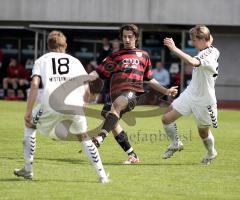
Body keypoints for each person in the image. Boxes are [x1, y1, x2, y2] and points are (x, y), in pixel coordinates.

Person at [13, 31, 109, 183]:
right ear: (65, 46)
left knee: (29, 124)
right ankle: (102, 176)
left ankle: (28, 169)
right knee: (83, 137)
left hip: (51, 102)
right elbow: (86, 85)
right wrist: (84, 106)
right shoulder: (75, 61)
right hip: (75, 104)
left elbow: (34, 84)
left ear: (48, 46)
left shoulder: (42, 60)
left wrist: (28, 110)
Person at [88, 24, 178, 164]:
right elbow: (98, 72)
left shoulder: (144, 56)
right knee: (110, 118)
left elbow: (150, 79)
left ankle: (100, 138)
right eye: (124, 36)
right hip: (115, 94)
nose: (127, 39)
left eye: (130, 36)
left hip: (132, 93)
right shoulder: (115, 56)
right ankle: (132, 155)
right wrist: (84, 78)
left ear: (136, 38)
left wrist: (166, 91)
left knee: (116, 107)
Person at [161, 25, 219, 165]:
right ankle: (176, 143)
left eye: (193, 40)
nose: (192, 43)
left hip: (205, 100)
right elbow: (209, 37)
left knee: (203, 132)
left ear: (201, 39)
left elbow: (193, 61)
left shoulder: (209, 56)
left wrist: (174, 49)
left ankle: (211, 153)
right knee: (166, 118)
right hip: (190, 93)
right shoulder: (210, 47)